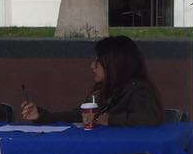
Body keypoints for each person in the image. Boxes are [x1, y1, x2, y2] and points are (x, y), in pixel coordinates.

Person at [21, 35, 163, 127]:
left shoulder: (138, 90)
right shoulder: (102, 90)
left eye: (98, 62)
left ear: (114, 64)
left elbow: (150, 118)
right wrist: (40, 115)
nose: (92, 66)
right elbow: (78, 115)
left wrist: (111, 120)